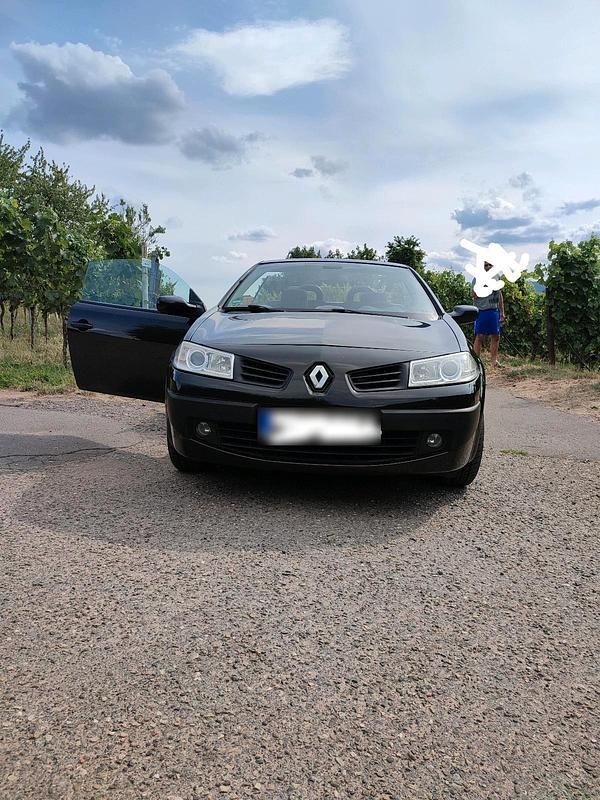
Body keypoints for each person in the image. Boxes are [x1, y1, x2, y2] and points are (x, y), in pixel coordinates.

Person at [471, 261, 505, 367]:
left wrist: (502, 312)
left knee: (496, 336)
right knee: (479, 336)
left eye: (490, 265)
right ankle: (477, 362)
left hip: (494, 311)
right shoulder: (477, 278)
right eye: (486, 265)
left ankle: (494, 362)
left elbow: (499, 295)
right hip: (481, 311)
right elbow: (472, 295)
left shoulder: (496, 277)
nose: (488, 267)